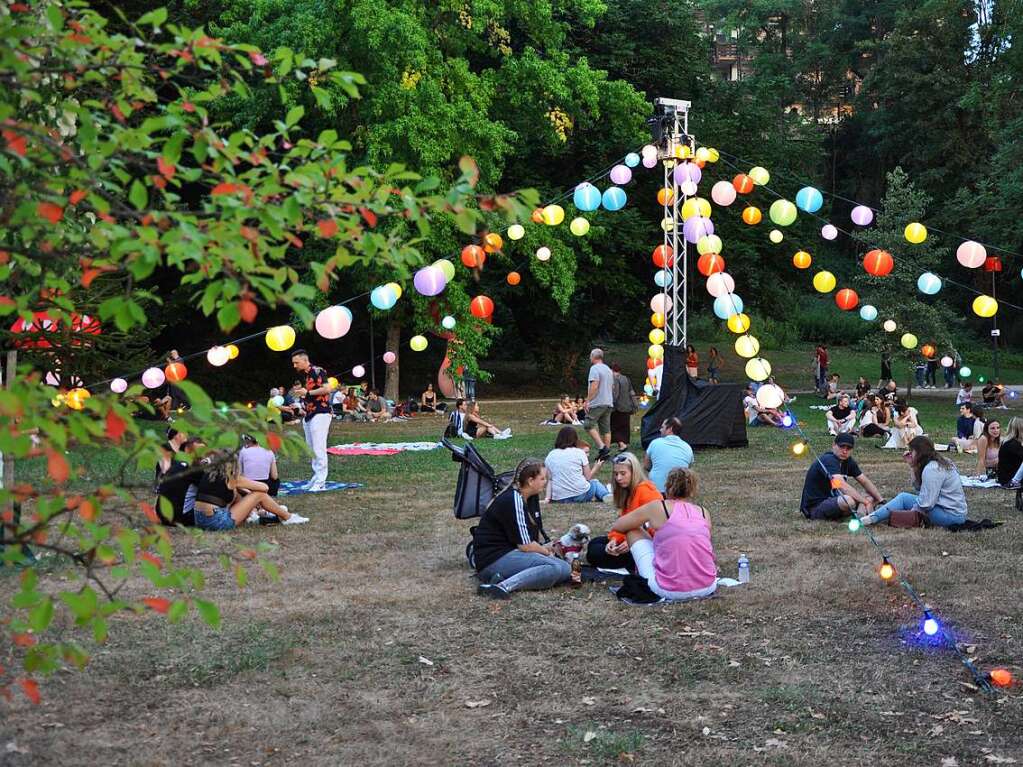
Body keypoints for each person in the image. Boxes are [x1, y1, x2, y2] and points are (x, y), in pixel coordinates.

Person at [609, 467, 717, 602]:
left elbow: (619, 525)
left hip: (669, 589)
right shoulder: (703, 512)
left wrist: (646, 525)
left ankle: (646, 573)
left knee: (633, 530)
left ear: (667, 486)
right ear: (692, 489)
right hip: (708, 585)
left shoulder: (658, 507)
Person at [474, 458, 570, 599]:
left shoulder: (529, 498)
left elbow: (528, 538)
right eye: (542, 478)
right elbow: (525, 546)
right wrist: (546, 552)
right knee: (554, 568)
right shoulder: (514, 499)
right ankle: (502, 586)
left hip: (510, 553)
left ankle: (501, 578)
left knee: (566, 569)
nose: (545, 482)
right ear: (530, 481)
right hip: (493, 560)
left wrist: (549, 547)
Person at [859, 437, 967, 529]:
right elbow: (918, 488)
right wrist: (912, 465)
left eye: (911, 451)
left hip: (951, 517)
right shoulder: (940, 462)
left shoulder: (932, 469)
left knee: (903, 498)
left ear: (919, 452)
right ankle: (878, 515)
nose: (910, 454)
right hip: (953, 513)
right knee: (904, 500)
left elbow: (926, 504)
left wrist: (911, 511)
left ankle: (873, 518)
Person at [585, 452, 662, 570]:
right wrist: (615, 539)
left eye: (623, 473)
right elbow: (624, 523)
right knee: (594, 543)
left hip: (647, 547)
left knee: (594, 553)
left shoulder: (647, 492)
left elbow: (657, 530)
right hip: (630, 541)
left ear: (634, 472)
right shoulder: (628, 491)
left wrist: (631, 542)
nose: (618, 478)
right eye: (616, 474)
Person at [194, 453, 307, 530]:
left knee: (237, 493)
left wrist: (247, 494)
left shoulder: (209, 474)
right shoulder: (232, 478)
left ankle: (253, 514)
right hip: (216, 522)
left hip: (199, 520)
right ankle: (288, 517)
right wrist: (249, 489)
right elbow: (264, 488)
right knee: (259, 495)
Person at [799, 433, 884, 521]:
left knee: (870, 495)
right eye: (842, 447)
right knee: (849, 500)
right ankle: (863, 512)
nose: (844, 451)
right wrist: (865, 502)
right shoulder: (828, 459)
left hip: (834, 500)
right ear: (833, 445)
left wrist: (880, 500)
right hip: (815, 507)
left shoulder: (848, 461)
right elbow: (841, 485)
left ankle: (861, 515)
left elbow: (864, 481)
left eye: (848, 448)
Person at [291, 349, 333, 492]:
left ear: (304, 360)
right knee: (311, 449)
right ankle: (316, 477)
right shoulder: (307, 375)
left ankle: (321, 481)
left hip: (320, 413)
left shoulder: (317, 370)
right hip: (310, 414)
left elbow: (327, 389)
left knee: (318, 447)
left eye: (296, 362)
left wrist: (307, 393)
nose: (295, 365)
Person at [544, 426, 609, 503]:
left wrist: (548, 498)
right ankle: (606, 495)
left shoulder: (550, 455)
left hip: (559, 498)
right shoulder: (579, 452)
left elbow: (550, 480)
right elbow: (588, 477)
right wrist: (596, 467)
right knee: (594, 483)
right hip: (579, 494)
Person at [643, 417, 694, 493]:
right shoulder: (688, 447)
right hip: (678, 492)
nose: (660, 430)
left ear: (670, 429)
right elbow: (687, 469)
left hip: (656, 491)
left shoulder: (655, 443)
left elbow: (646, 466)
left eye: (662, 427)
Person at [583, 348, 614, 460]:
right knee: (605, 429)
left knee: (588, 424)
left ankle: (602, 448)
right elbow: (612, 386)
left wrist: (588, 400)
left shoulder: (594, 369)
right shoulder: (608, 369)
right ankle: (606, 454)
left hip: (598, 402)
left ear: (593, 357)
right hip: (608, 402)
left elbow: (594, 386)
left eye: (590, 356)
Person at [610, 363, 637, 451]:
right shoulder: (626, 378)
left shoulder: (614, 379)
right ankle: (623, 443)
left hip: (618, 407)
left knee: (614, 426)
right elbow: (631, 392)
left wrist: (611, 403)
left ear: (612, 370)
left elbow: (615, 393)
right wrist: (634, 404)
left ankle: (622, 444)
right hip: (627, 406)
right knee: (624, 427)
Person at [997, 417, 1023, 488]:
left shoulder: (1008, 442)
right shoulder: (1012, 444)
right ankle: (1015, 481)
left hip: (1006, 476)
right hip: (1009, 478)